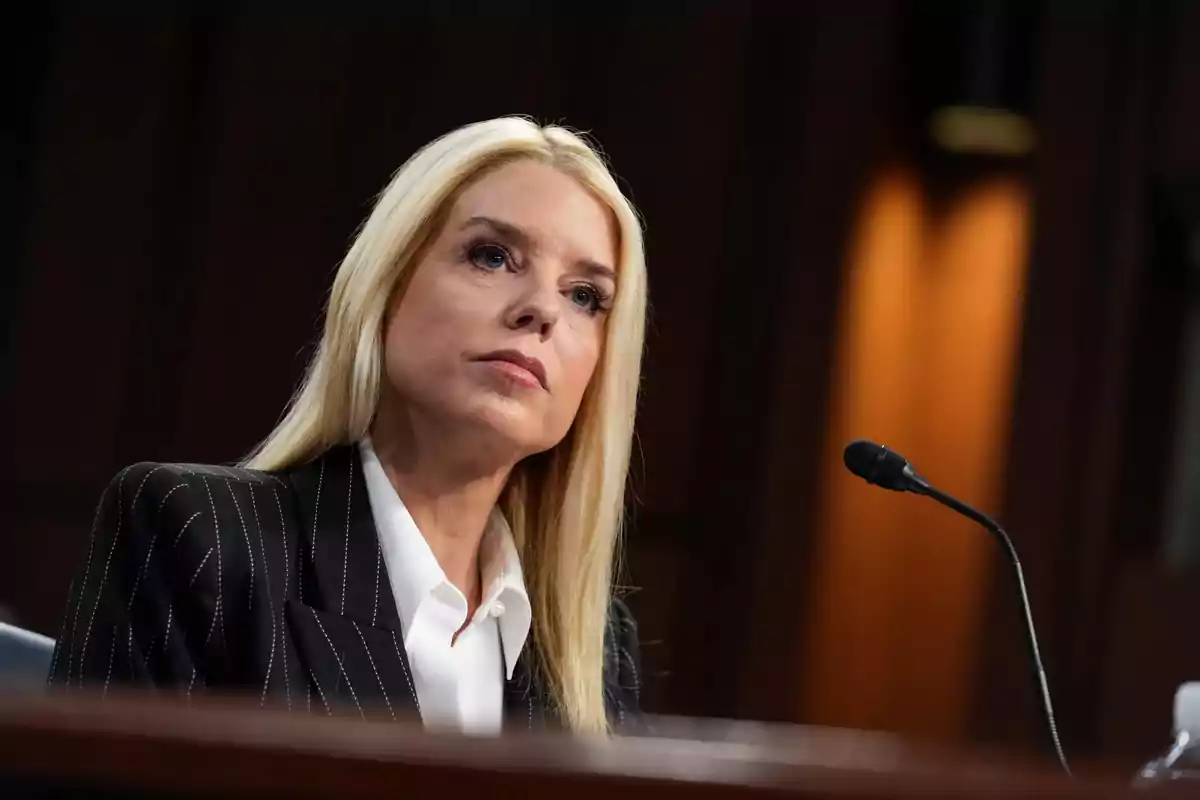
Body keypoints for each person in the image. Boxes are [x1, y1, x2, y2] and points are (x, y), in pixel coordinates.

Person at [46, 116, 647, 735]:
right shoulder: (201, 539)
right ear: (385, 287)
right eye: (492, 256)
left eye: (585, 296)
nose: (543, 310)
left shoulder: (593, 648)